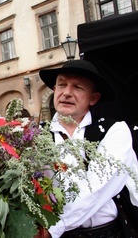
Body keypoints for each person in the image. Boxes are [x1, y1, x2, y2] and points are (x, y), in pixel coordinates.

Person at [36, 59, 138, 238]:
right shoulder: (35, 136)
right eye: (62, 85)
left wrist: (52, 229)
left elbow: (96, 189)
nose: (67, 93)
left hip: (105, 233)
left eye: (77, 87)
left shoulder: (114, 131)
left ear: (93, 98)